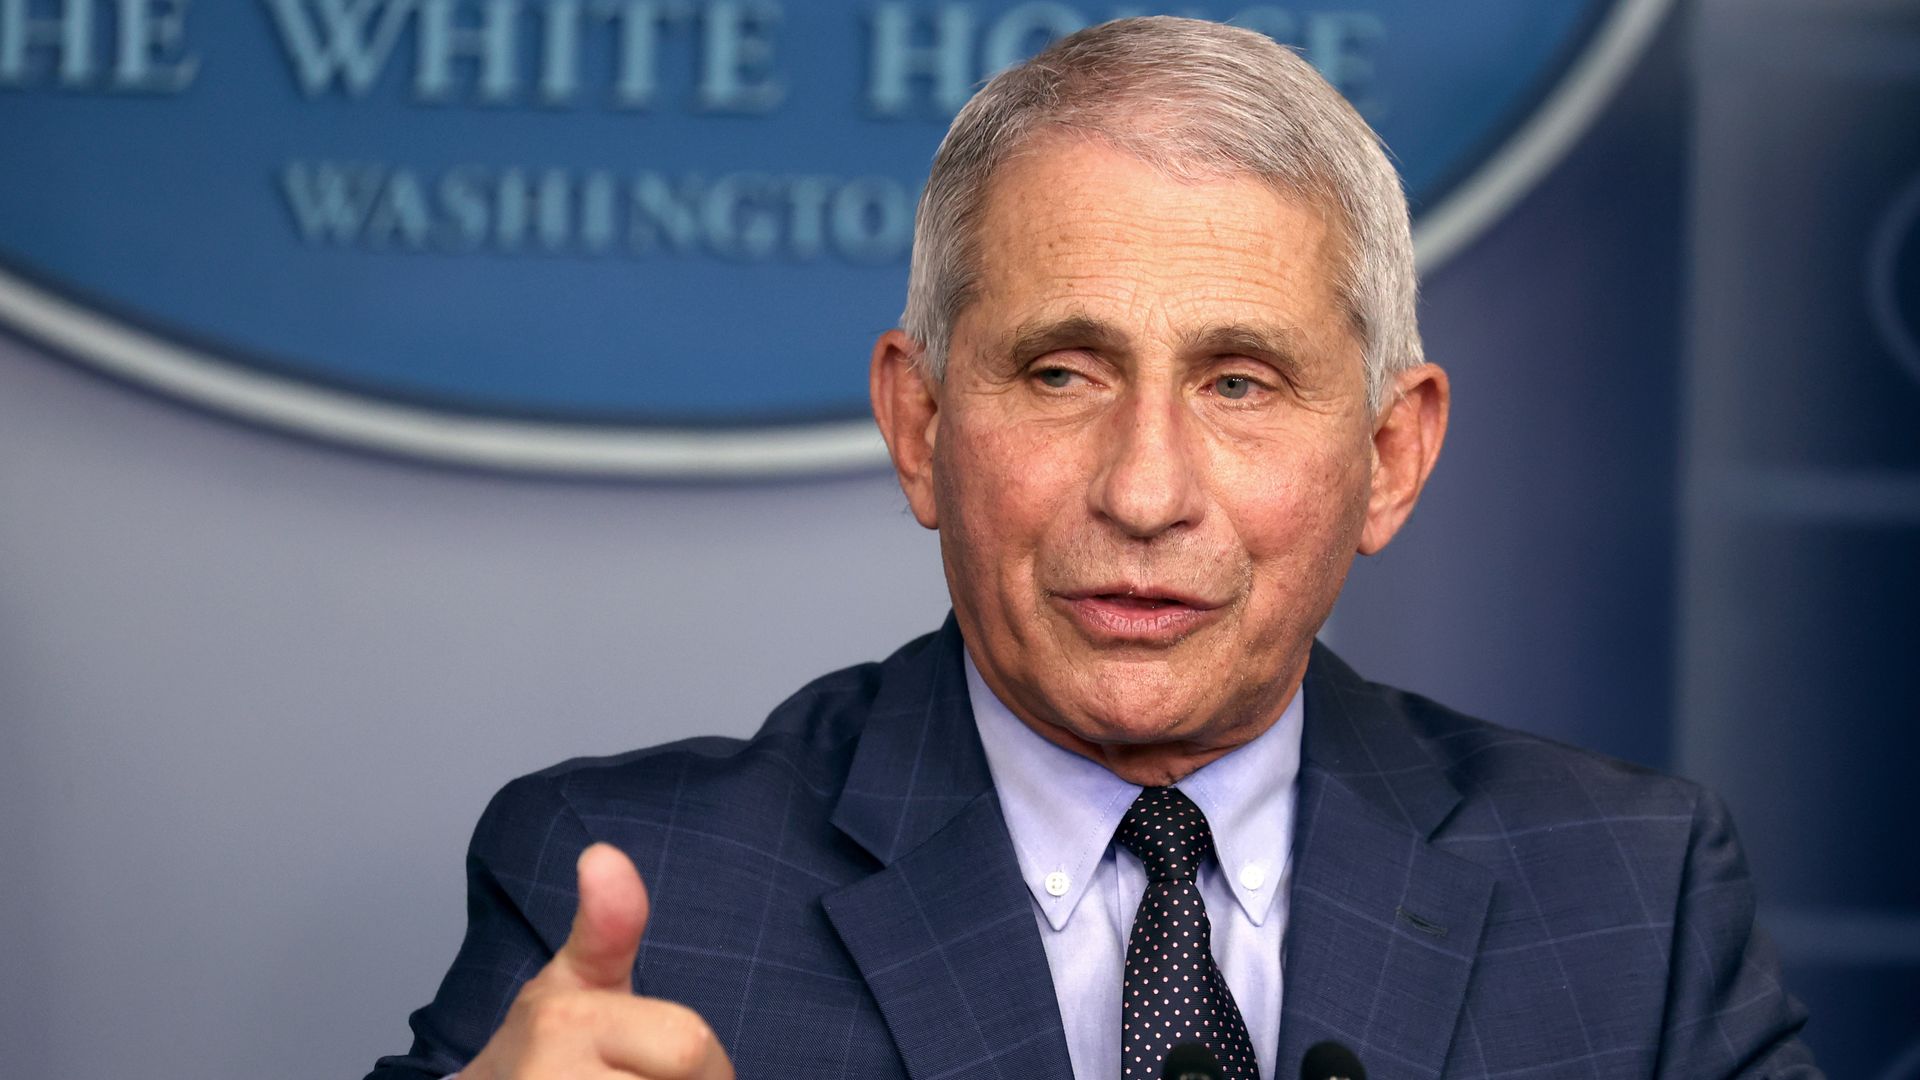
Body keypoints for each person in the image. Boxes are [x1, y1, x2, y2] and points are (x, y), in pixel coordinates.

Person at [368, 17, 1819, 1080]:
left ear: (1391, 457)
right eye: (1062, 372)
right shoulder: (641, 898)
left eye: (1239, 383)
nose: (1144, 491)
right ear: (920, 424)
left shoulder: (1630, 898)